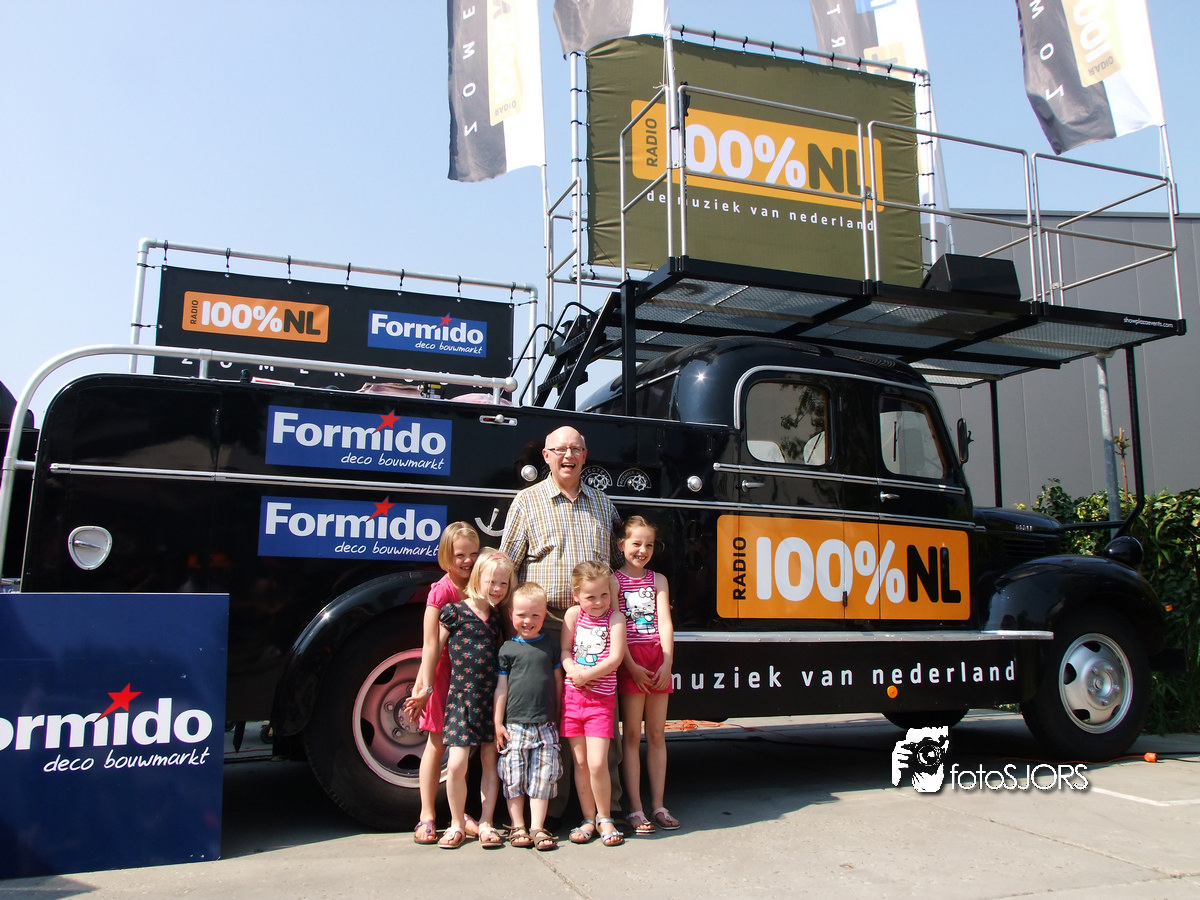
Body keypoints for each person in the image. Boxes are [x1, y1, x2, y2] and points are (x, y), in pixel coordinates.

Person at [500, 425, 623, 820]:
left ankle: (608, 810)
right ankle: (551, 811)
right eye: (559, 449)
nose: (568, 455)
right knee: (550, 718)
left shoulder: (603, 503)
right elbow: (507, 568)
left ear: (585, 456)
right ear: (546, 456)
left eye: (575, 449)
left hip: (596, 630)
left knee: (602, 722)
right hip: (545, 628)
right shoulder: (526, 502)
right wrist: (516, 630)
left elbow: (617, 568)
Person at [403, 521, 479, 845]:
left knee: (466, 746)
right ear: (447, 557)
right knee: (436, 743)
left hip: (470, 675)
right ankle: (427, 814)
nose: (467, 561)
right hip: (443, 673)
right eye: (460, 555)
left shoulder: (478, 584)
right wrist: (425, 686)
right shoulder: (441, 591)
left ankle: (460, 813)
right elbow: (431, 643)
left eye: (473, 554)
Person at [434, 550, 515, 849]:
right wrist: (423, 686)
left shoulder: (496, 619)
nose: (497, 588)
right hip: (461, 699)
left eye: (503, 584)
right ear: (478, 578)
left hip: (489, 700)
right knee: (456, 765)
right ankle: (456, 823)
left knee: (489, 762)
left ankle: (486, 822)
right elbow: (433, 650)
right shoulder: (453, 613)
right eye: (492, 581)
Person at [615, 516, 680, 834]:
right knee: (630, 736)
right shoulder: (613, 581)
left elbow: (665, 623)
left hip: (657, 660)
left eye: (649, 545)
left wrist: (667, 662)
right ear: (621, 545)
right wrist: (629, 665)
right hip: (632, 662)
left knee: (656, 734)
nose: (642, 550)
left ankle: (659, 805)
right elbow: (616, 626)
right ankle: (636, 809)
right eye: (636, 543)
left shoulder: (659, 580)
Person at [561, 560, 627, 847]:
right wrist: (572, 671)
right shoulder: (573, 615)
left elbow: (615, 658)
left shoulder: (616, 619)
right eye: (591, 596)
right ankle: (588, 818)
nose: (599, 602)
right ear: (576, 595)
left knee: (598, 762)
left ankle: (605, 817)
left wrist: (587, 675)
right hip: (573, 699)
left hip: (600, 702)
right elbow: (565, 650)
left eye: (604, 595)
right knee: (580, 763)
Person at [494, 582, 563, 852]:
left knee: (543, 777)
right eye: (522, 615)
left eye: (535, 615)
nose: (528, 621)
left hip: (546, 724)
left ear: (545, 615)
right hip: (515, 725)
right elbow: (501, 688)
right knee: (514, 776)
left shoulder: (550, 645)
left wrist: (558, 714)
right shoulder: (507, 649)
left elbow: (558, 683)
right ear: (511, 614)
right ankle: (518, 825)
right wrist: (498, 723)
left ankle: (537, 827)